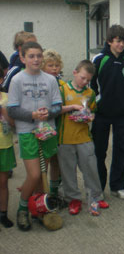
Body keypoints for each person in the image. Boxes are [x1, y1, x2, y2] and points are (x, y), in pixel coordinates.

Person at [7, 41, 62, 231]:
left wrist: (49, 113)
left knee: (42, 176)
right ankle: (22, 208)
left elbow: (57, 106)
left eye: (39, 55)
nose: (36, 59)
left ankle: (37, 208)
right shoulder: (17, 80)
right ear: (22, 58)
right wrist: (32, 115)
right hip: (27, 132)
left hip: (47, 131)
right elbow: (12, 110)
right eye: (31, 56)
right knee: (34, 174)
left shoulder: (50, 79)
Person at [58, 60, 109, 216]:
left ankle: (95, 196)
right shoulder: (62, 89)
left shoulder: (90, 93)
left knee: (91, 168)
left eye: (88, 80)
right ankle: (73, 199)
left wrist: (88, 117)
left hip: (84, 137)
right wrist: (72, 108)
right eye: (82, 78)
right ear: (74, 73)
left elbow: (92, 111)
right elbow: (55, 109)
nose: (85, 82)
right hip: (65, 139)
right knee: (68, 171)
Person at [91, 25, 124, 200]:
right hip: (101, 114)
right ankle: (98, 187)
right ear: (109, 42)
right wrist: (91, 108)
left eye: (123, 41)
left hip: (123, 115)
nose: (121, 44)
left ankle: (118, 186)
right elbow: (90, 87)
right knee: (99, 152)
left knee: (122, 151)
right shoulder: (99, 60)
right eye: (118, 41)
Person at [41, 49, 65, 201]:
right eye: (50, 65)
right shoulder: (41, 83)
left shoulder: (62, 84)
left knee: (58, 160)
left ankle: (55, 191)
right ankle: (44, 193)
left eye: (57, 65)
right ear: (43, 66)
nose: (54, 68)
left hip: (61, 126)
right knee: (46, 160)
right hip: (46, 126)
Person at [0, 71, 16, 228]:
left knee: (3, 182)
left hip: (4, 145)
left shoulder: (6, 99)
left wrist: (4, 114)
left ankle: (3, 213)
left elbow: (13, 124)